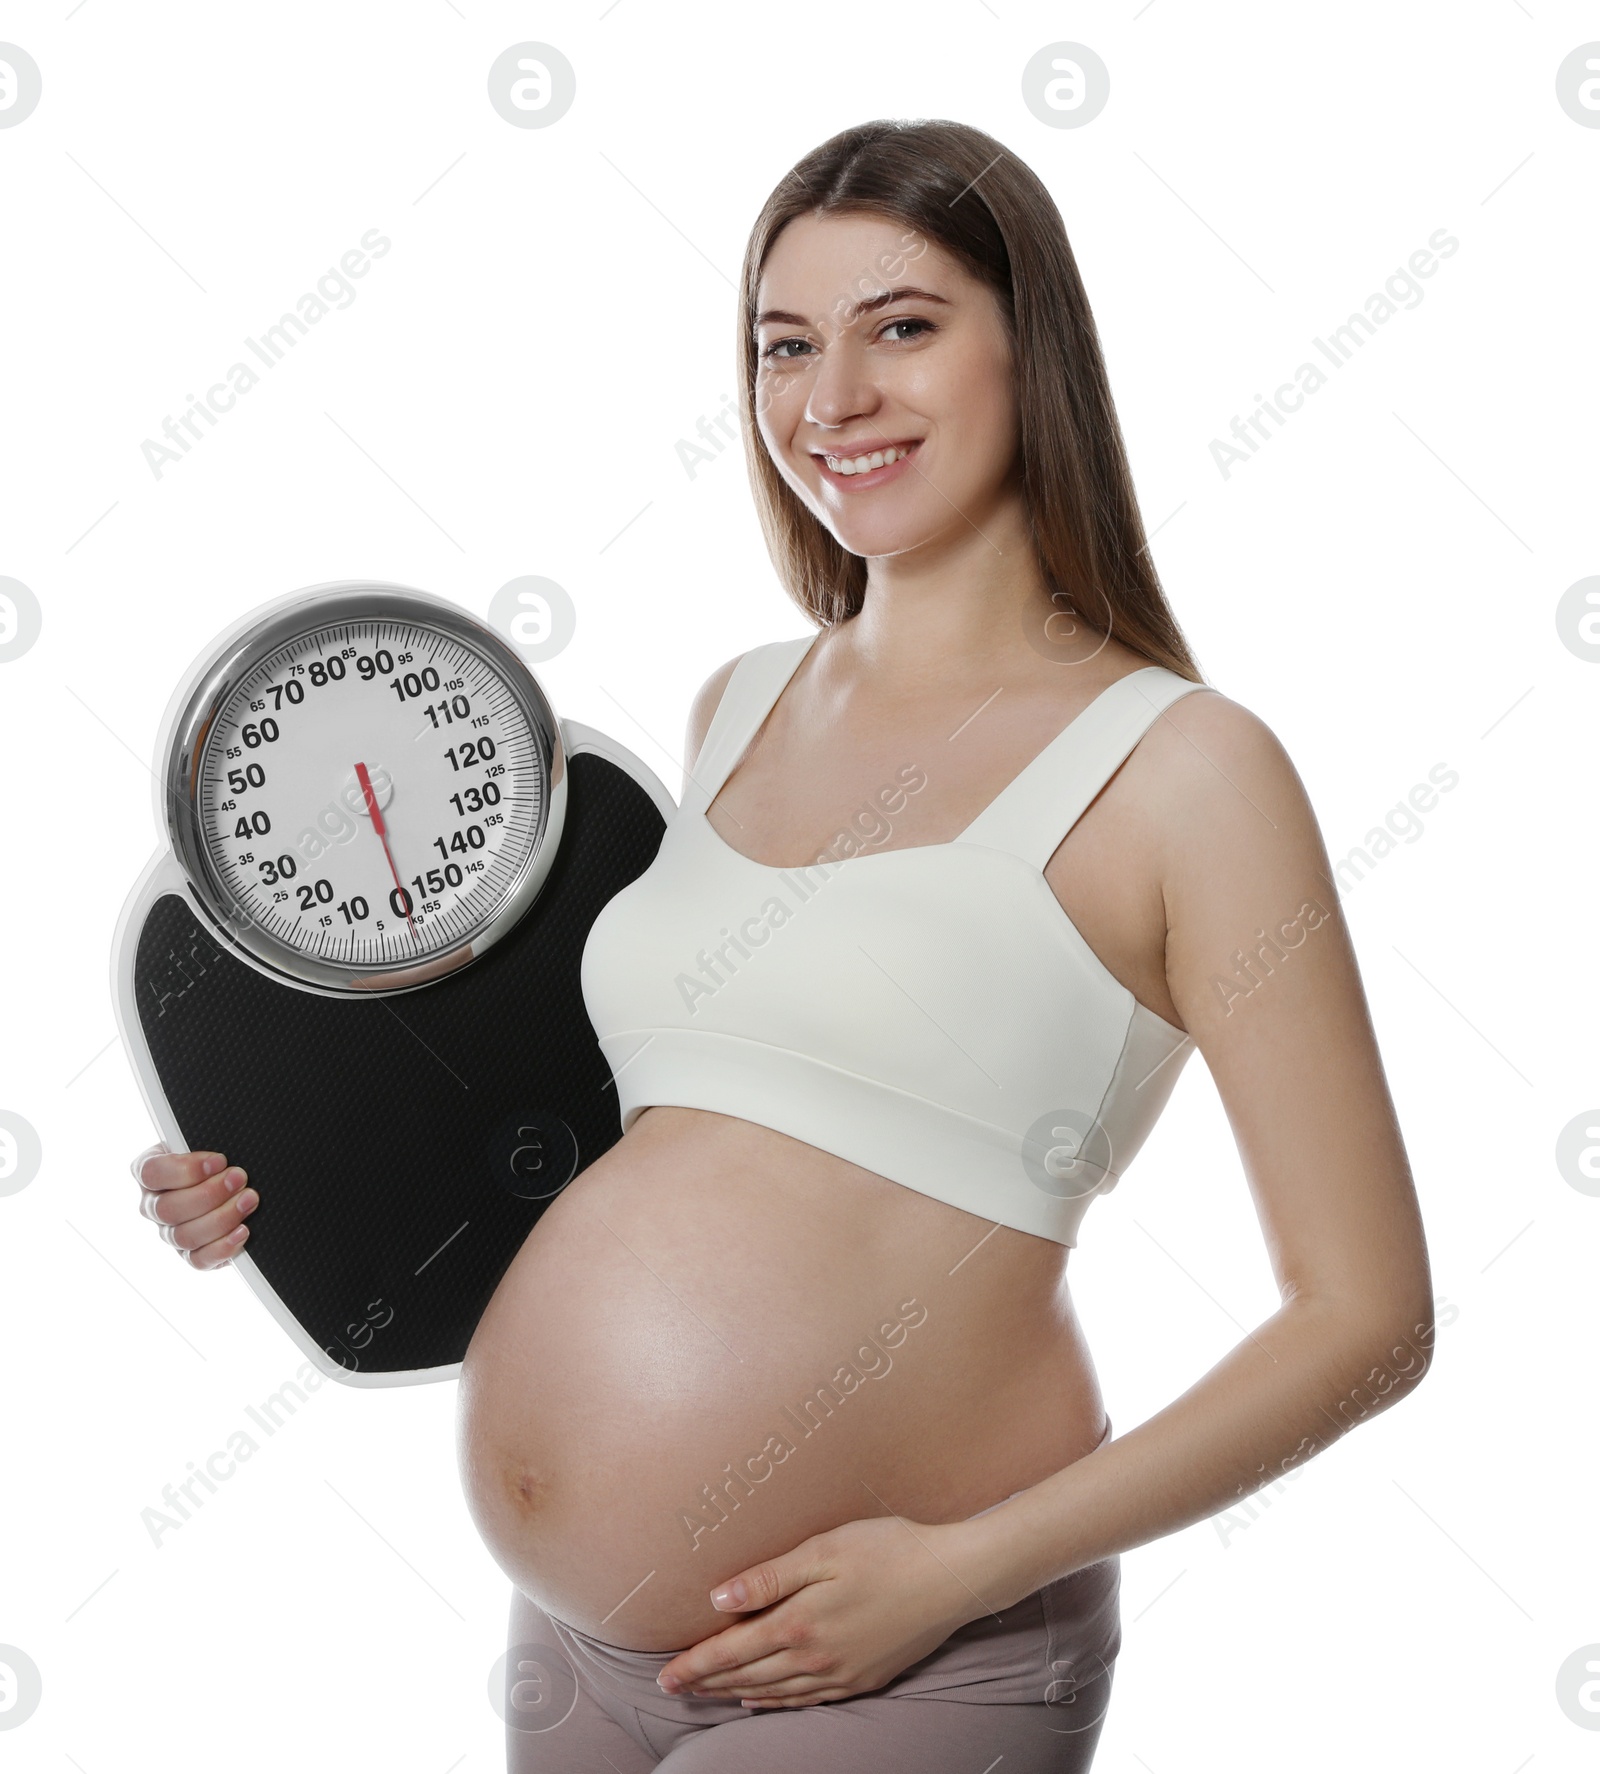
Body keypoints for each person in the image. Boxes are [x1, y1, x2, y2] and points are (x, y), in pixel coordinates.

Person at [130, 118, 1434, 1770]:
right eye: (784, 346)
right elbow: (676, 1140)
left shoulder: (1188, 769)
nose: (834, 400)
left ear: (1030, 345)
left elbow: (1367, 1314)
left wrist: (959, 1570)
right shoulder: (735, 704)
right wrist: (298, 1187)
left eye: (902, 326)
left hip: (908, 1649)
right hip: (573, 1647)